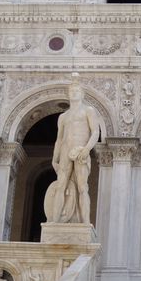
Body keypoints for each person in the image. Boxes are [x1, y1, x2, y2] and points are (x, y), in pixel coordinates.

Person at [50, 74, 99, 224]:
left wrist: (86, 150)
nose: (74, 93)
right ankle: (55, 220)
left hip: (80, 151)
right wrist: (54, 158)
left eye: (77, 90)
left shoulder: (88, 110)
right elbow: (59, 139)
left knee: (82, 187)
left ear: (82, 94)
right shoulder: (63, 117)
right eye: (72, 91)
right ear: (68, 94)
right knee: (60, 185)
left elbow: (95, 132)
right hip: (65, 150)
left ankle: (85, 222)